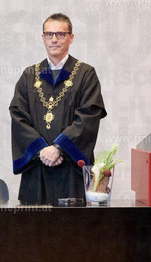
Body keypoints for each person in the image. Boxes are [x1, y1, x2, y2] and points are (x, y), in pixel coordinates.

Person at [10, 13, 107, 205]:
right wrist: (41, 150)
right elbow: (18, 116)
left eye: (60, 34)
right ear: (43, 38)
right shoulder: (29, 75)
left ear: (71, 38)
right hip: (37, 166)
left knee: (71, 221)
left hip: (71, 168)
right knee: (34, 221)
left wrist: (59, 148)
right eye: (49, 34)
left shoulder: (85, 74)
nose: (54, 39)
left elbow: (88, 115)